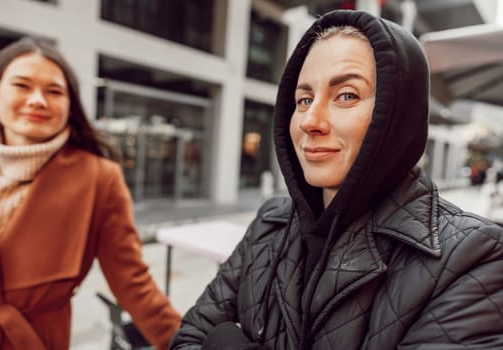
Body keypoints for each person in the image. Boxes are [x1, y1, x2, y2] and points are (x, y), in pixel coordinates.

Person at [170, 9, 503, 350]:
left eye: (347, 95)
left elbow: (210, 338)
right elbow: (189, 338)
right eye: (303, 99)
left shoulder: (472, 259)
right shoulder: (270, 223)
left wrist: (226, 342)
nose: (310, 120)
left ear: (398, 114)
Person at [0, 37, 181, 350]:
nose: (38, 100)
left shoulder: (99, 178)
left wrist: (189, 344)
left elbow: (133, 284)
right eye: (22, 85)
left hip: (30, 340)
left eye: (54, 91)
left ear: (70, 104)